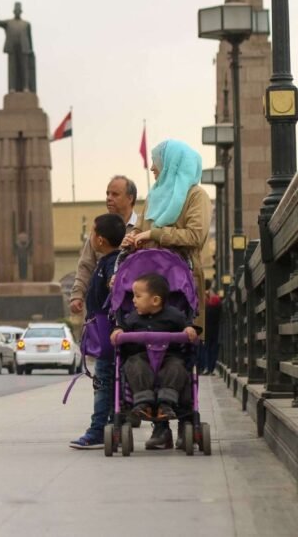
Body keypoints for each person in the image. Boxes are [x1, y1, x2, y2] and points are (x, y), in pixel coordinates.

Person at [123, 139, 210, 449]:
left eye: (157, 161)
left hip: (181, 288)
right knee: (145, 355)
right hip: (150, 286)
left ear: (172, 163)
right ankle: (160, 429)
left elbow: (195, 236)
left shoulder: (195, 196)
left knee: (180, 356)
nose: (152, 167)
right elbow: (145, 234)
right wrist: (134, 240)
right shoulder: (157, 197)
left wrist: (155, 234)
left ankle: (186, 420)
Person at [69, 213, 127, 449]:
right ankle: (113, 425)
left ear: (100, 240)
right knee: (111, 382)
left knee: (103, 382)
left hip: (107, 337)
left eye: (92, 233)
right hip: (108, 334)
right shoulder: (110, 262)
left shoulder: (110, 265)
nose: (90, 237)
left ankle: (97, 430)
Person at [110, 273, 198, 423]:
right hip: (141, 356)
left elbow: (187, 329)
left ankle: (166, 402)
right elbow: (122, 328)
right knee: (134, 365)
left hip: (169, 356)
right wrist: (117, 331)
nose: (133, 300)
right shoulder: (132, 317)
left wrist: (189, 330)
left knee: (177, 367)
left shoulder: (174, 315)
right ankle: (144, 402)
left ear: (155, 300)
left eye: (138, 296)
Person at [69, 176, 139, 317]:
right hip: (101, 310)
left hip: (134, 310)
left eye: (115, 194)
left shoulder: (142, 227)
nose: (108, 198)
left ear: (130, 198)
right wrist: (77, 294)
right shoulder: (99, 229)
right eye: (107, 193)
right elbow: (86, 265)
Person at [201, 283, 222, 375]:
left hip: (206, 329)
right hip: (215, 329)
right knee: (213, 349)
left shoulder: (204, 303)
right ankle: (212, 368)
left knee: (206, 349)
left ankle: (206, 367)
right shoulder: (217, 302)